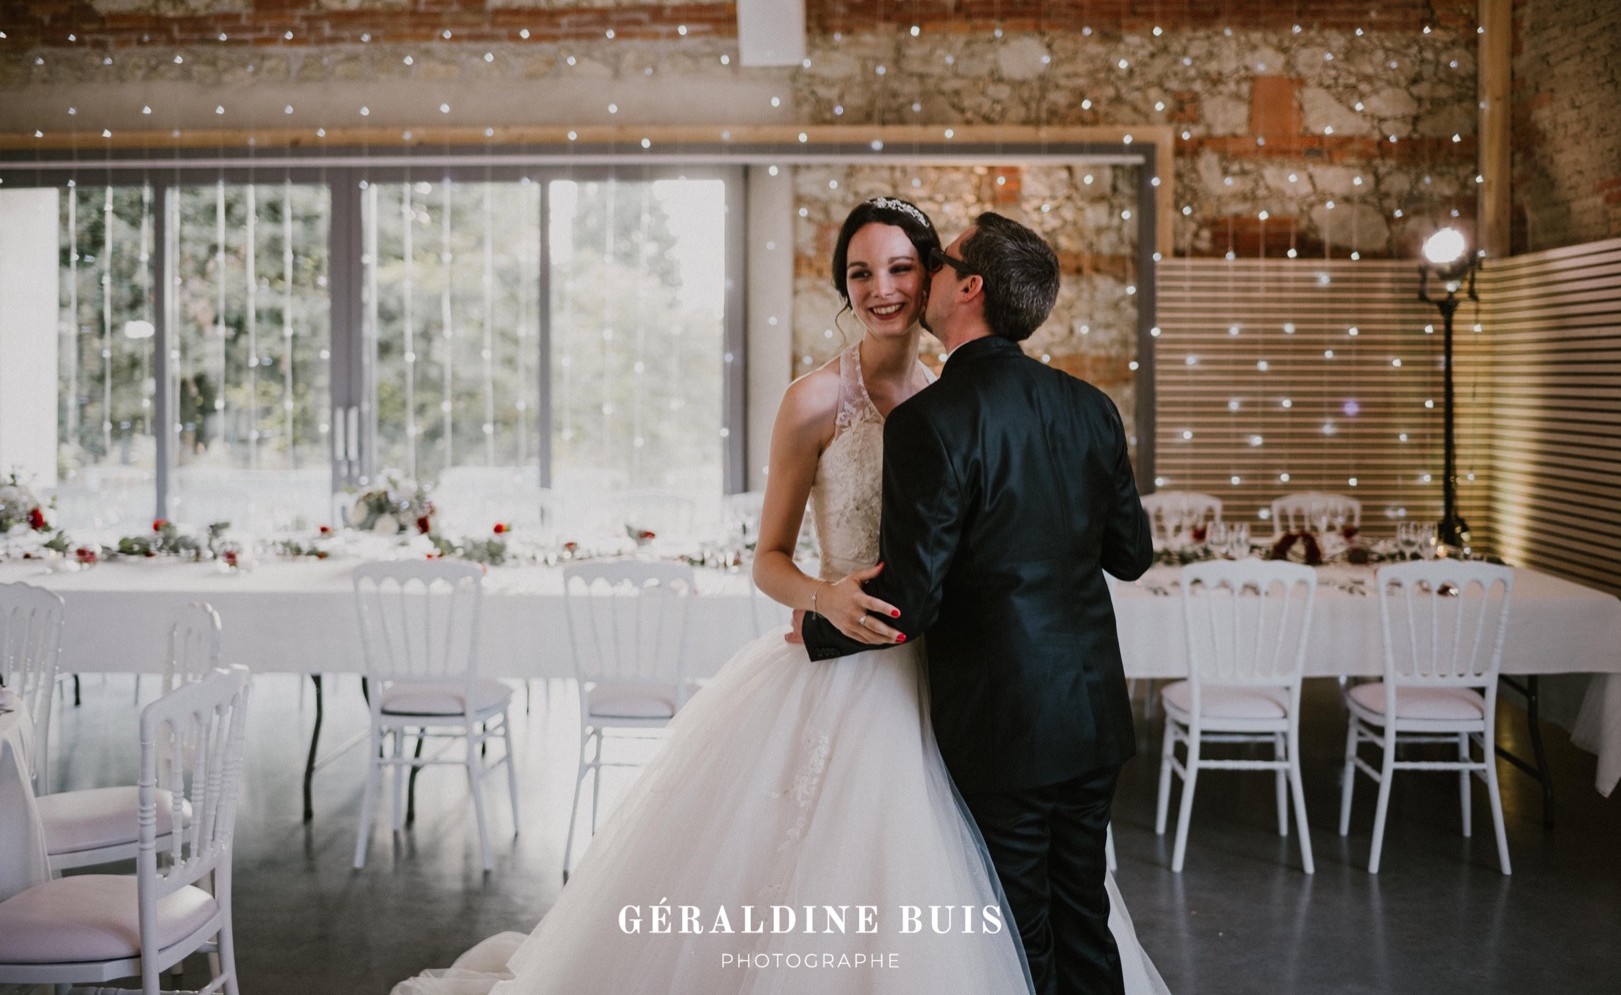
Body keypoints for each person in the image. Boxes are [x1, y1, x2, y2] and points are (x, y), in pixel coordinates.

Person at [390, 199, 1166, 995]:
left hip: (956, 679)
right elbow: (767, 557)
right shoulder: (828, 401)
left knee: (998, 910)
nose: (885, 288)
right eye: (860, 272)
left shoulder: (946, 403)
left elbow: (957, 571)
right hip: (937, 682)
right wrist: (821, 602)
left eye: (906, 267)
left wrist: (850, 622)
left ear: (950, 282)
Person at [795, 209, 1155, 995]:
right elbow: (1132, 556)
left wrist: (817, 623)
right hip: (1092, 712)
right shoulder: (1090, 406)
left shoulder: (932, 420)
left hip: (1002, 718)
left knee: (1015, 924)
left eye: (940, 259)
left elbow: (912, 601)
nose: (924, 269)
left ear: (970, 287)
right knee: (1082, 914)